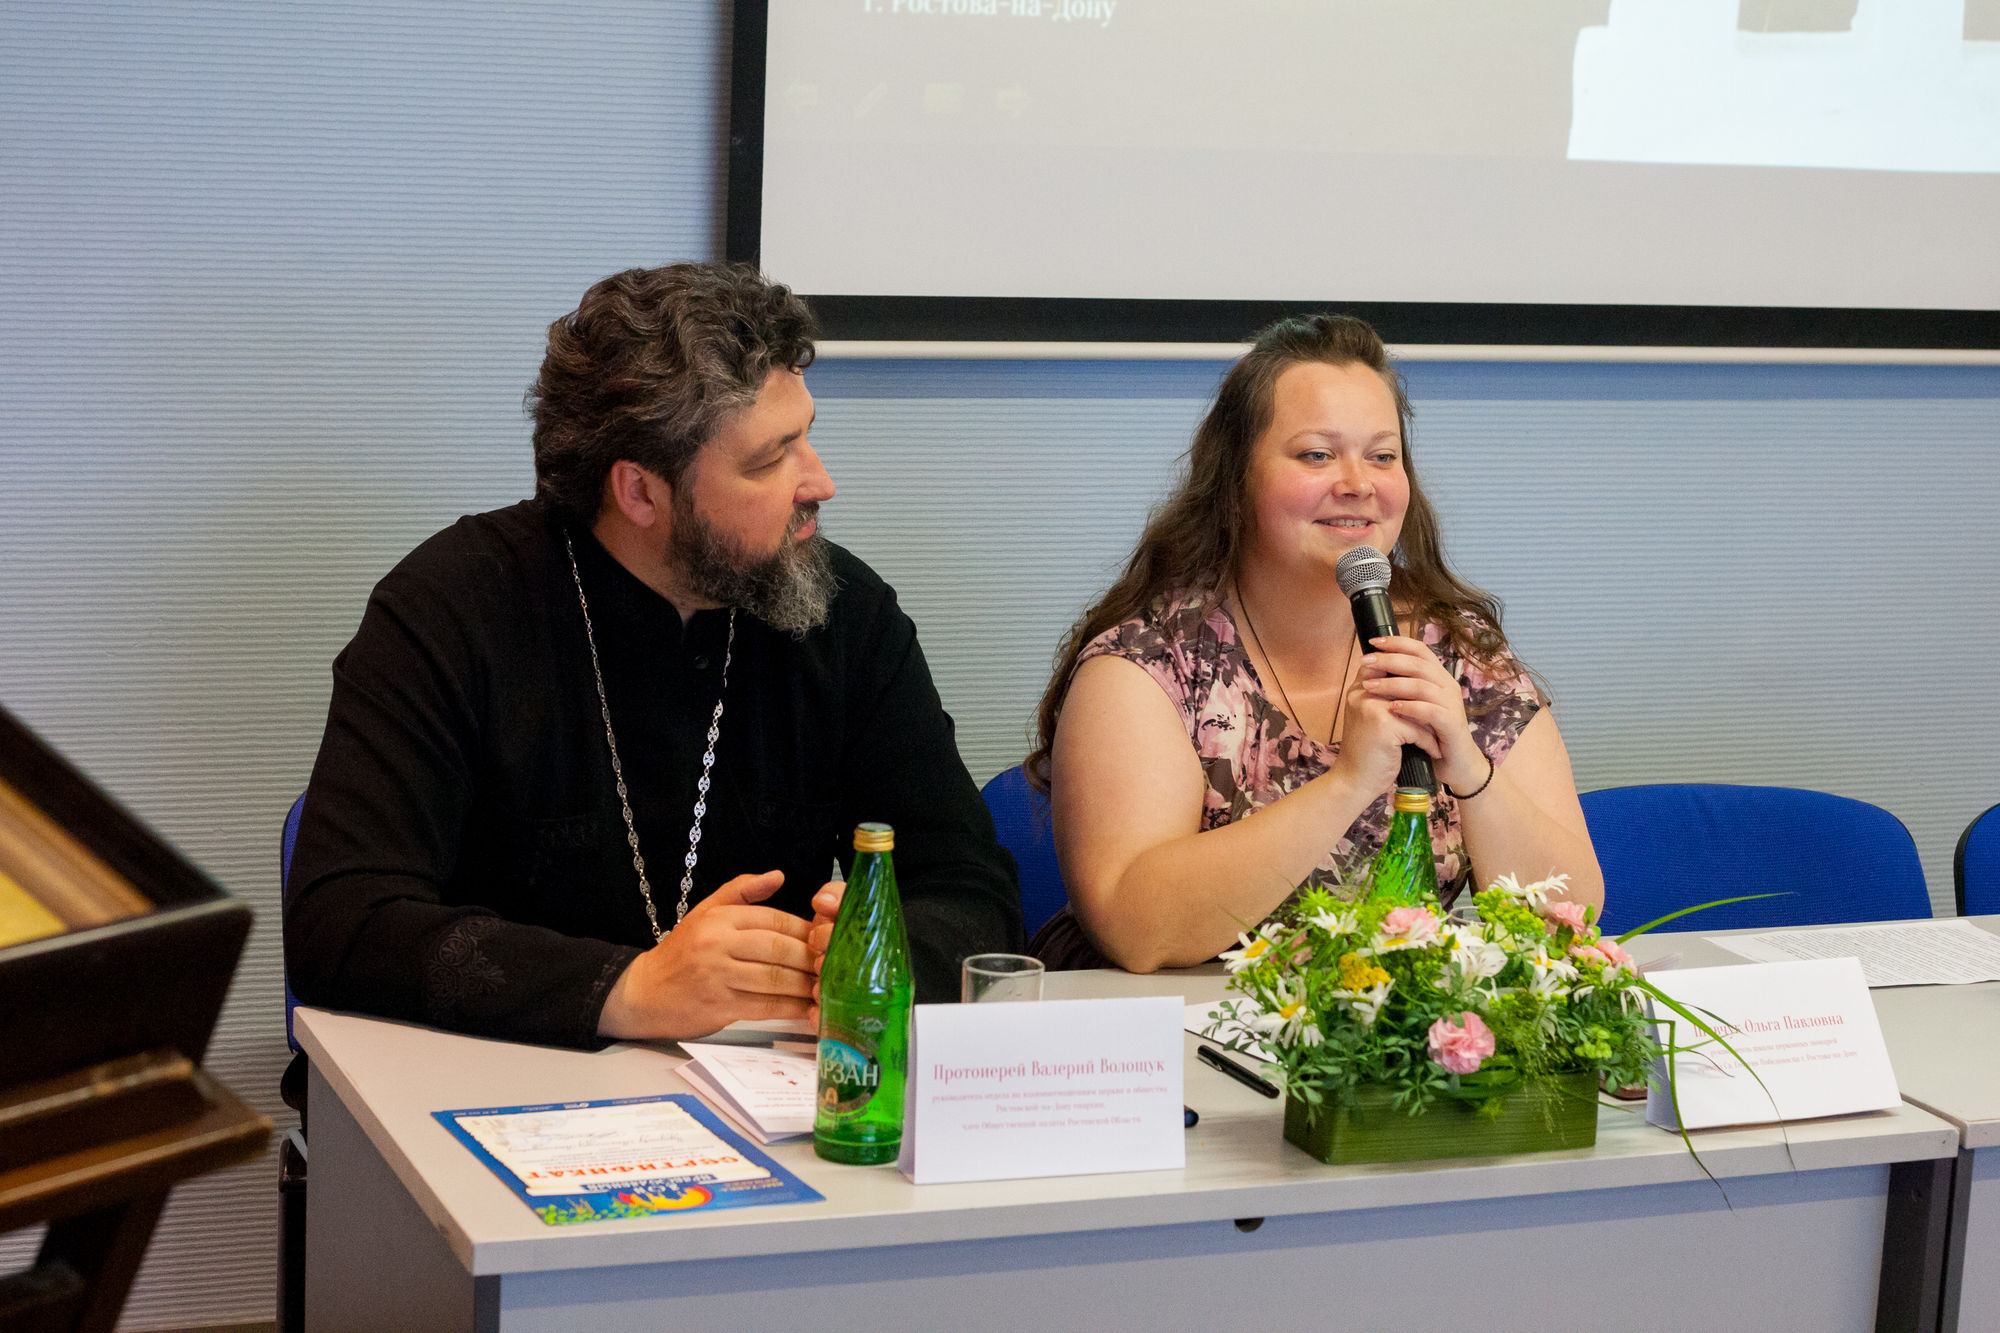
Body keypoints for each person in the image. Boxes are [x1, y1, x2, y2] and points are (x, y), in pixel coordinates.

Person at [284, 263, 1022, 1048]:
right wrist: (628, 987)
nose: (820, 482)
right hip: (496, 1082)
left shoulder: (845, 613)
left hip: (768, 1092)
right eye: (770, 459)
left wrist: (881, 949)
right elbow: (340, 919)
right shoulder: (452, 609)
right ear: (639, 491)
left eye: (807, 435)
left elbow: (972, 890)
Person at [1030, 314, 1602, 973]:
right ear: (1236, 479)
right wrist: (1348, 783)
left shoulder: (1462, 654)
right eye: (1316, 455)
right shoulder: (1151, 662)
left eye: (1382, 456)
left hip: (1382, 1023)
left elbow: (1571, 919)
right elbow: (1138, 931)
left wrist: (1470, 769)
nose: (1359, 482)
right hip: (1175, 1021)